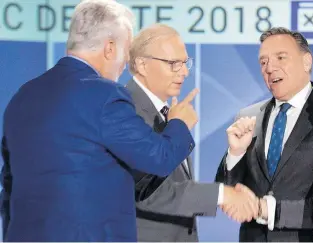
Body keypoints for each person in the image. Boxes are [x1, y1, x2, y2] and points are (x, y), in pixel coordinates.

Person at [1, 0, 199, 241]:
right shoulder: (106, 96)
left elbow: (9, 186)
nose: (125, 63)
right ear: (109, 48)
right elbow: (159, 157)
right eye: (126, 53)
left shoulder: (22, 97)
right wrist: (179, 123)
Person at [126, 24, 258, 242]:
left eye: (185, 63)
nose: (185, 72)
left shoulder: (166, 111)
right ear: (142, 64)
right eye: (173, 64)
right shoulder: (127, 109)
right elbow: (148, 192)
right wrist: (223, 195)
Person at [215, 27, 313, 242]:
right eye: (263, 62)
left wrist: (269, 209)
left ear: (307, 62)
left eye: (280, 58)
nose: (270, 68)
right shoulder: (248, 117)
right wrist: (235, 153)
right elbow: (227, 193)